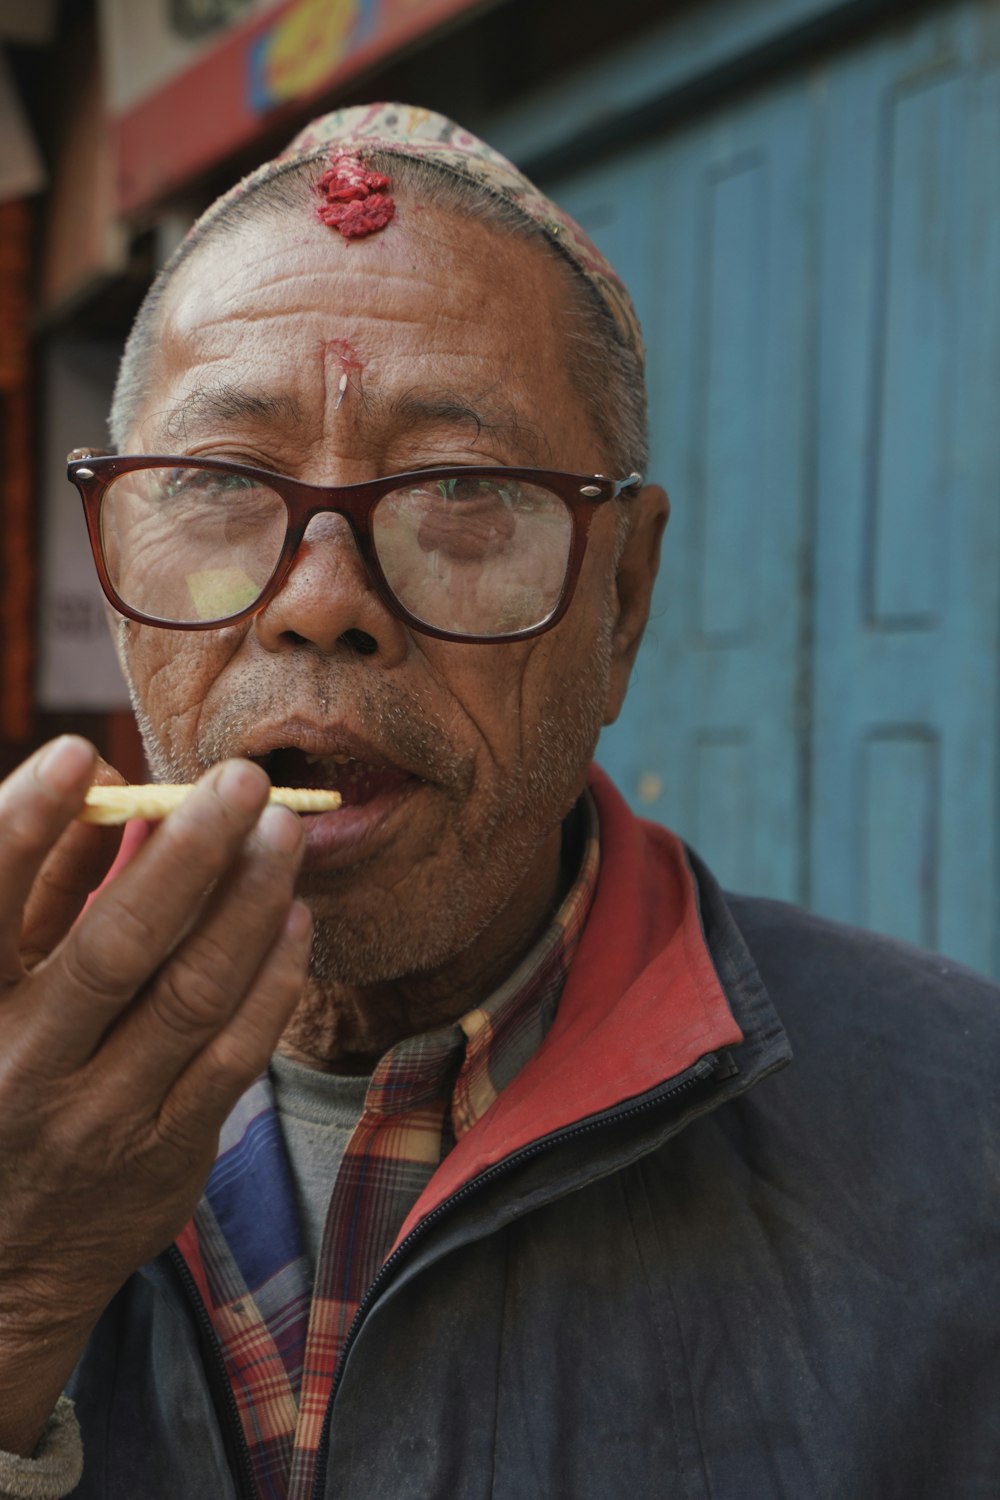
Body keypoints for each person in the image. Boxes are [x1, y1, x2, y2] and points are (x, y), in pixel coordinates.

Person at [0, 103, 996, 1500]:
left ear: (625, 602)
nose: (322, 602)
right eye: (221, 482)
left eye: (465, 489)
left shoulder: (964, 1141)